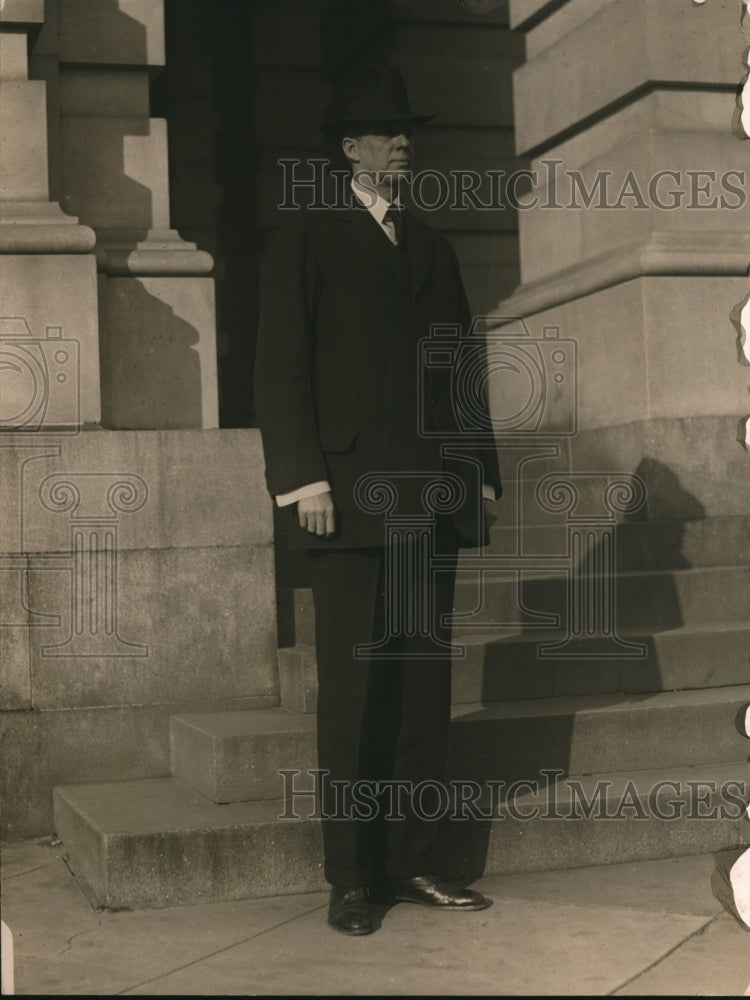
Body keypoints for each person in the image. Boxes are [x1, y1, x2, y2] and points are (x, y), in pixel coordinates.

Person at [254, 64, 501, 935]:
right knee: (356, 691)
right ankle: (355, 879)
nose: (404, 141)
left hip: (428, 501)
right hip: (347, 502)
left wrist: (481, 470)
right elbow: (280, 369)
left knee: (422, 689)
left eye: (407, 130)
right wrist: (304, 479)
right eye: (387, 131)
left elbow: (460, 366)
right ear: (350, 148)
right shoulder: (307, 237)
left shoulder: (432, 246)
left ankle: (418, 862)